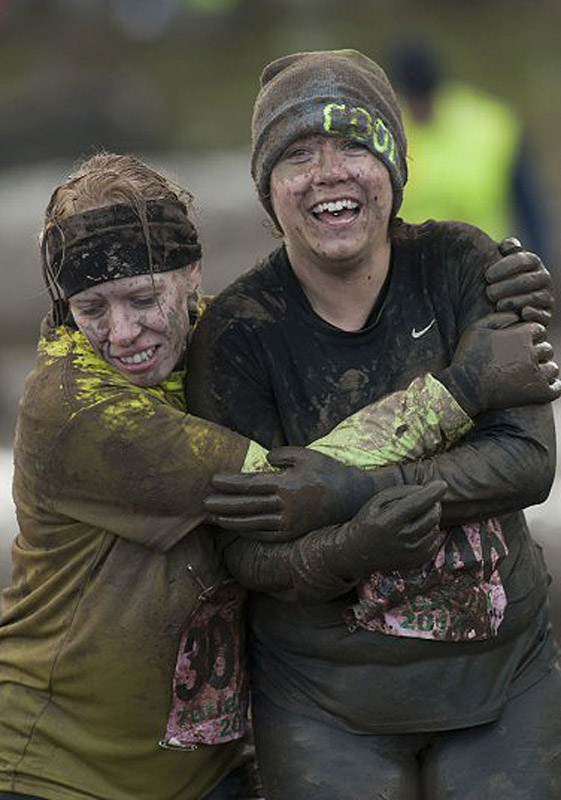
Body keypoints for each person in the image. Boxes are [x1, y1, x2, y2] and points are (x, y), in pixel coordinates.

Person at [0, 152, 551, 800]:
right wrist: (462, 386)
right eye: (90, 308)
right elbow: (292, 483)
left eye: (142, 299)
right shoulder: (77, 407)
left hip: (206, 769)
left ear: (190, 276)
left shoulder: (218, 339)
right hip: (58, 770)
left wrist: (496, 287)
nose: (122, 334)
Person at [184, 50, 561, 799]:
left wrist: (345, 493)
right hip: (324, 694)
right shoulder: (236, 334)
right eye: (297, 155)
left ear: (393, 168)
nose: (328, 172)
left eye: (354, 143)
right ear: (268, 197)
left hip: (501, 668)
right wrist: (354, 547)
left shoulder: (462, 266)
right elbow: (247, 548)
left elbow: (526, 461)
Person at [390, 42, 549, 258]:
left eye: (426, 97)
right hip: (410, 269)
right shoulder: (387, 132)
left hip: (487, 266)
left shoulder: (493, 127)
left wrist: (542, 262)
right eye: (412, 99)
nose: (420, 107)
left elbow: (529, 209)